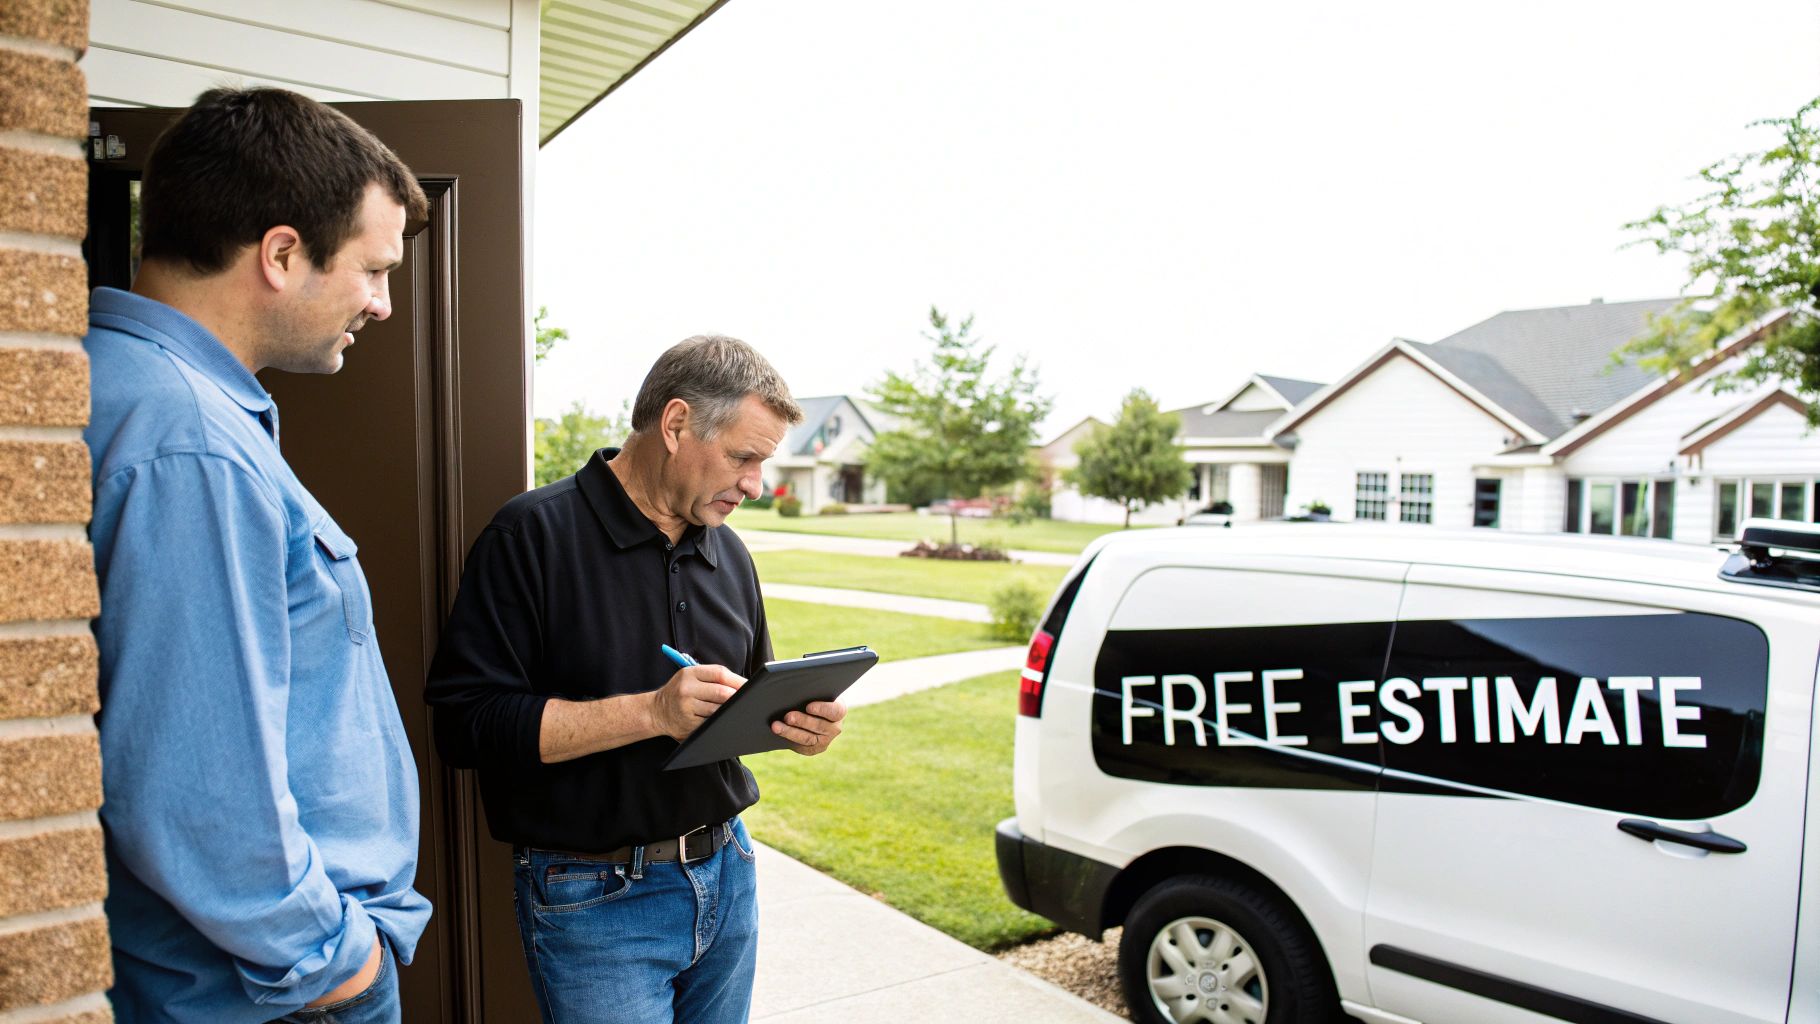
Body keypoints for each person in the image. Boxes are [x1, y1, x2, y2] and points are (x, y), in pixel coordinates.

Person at [84, 87, 431, 1024]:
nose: (383, 304)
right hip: (271, 994)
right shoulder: (187, 439)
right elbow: (197, 790)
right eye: (371, 269)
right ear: (281, 254)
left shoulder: (155, 399)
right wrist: (336, 959)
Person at [424, 336, 846, 1023]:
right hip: (594, 899)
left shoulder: (730, 554)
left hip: (727, 873)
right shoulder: (530, 535)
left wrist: (793, 723)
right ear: (676, 425)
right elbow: (466, 725)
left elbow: (737, 704)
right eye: (744, 457)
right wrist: (652, 712)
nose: (755, 485)